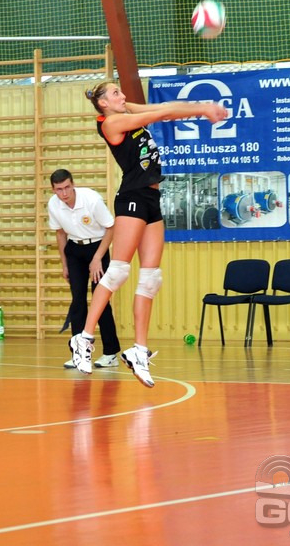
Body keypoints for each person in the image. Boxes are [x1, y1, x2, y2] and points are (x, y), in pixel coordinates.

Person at [70, 82, 227, 387]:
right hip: (131, 197)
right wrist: (203, 108)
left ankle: (138, 351)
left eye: (120, 91)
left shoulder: (126, 110)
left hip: (151, 197)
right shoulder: (112, 123)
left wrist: (200, 109)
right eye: (115, 93)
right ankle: (84, 338)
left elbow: (165, 110)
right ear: (103, 104)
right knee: (118, 271)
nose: (122, 95)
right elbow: (161, 113)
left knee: (151, 277)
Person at [47, 169, 120, 369]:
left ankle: (110, 353)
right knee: (77, 301)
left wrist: (97, 258)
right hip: (74, 249)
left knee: (100, 300)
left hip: (97, 247)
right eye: (59, 189)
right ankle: (79, 354)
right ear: (53, 190)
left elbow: (111, 228)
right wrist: (64, 263)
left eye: (67, 187)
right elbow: (60, 234)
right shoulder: (53, 204)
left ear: (73, 185)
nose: (64, 193)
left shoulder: (91, 200)